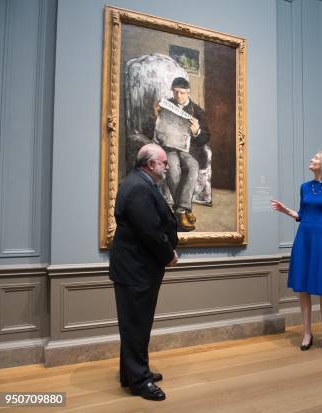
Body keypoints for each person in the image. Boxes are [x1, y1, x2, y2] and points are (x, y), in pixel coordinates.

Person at [109, 144, 179, 401]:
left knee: (135, 326)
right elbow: (148, 231)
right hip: (135, 270)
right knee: (136, 326)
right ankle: (139, 382)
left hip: (137, 269)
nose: (167, 166)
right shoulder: (138, 187)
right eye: (163, 162)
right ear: (150, 164)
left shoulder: (139, 183)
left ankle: (132, 373)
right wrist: (168, 254)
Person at [271, 151, 322, 352]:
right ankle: (307, 332)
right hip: (303, 238)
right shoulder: (304, 187)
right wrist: (286, 211)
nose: (312, 159)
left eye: (316, 158)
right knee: (304, 288)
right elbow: (302, 214)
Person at [155, 77, 210, 231]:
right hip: (170, 148)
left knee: (193, 167)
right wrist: (156, 116)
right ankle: (184, 211)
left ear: (188, 93)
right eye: (176, 92)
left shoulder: (198, 111)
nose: (179, 96)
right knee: (173, 168)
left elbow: (207, 137)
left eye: (182, 93)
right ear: (172, 91)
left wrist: (196, 132)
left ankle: (180, 210)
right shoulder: (165, 106)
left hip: (189, 150)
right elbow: (152, 130)